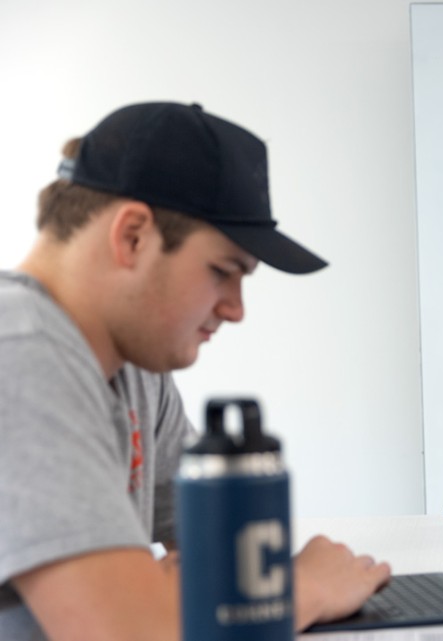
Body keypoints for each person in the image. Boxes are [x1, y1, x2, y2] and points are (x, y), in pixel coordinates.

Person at [0, 102, 391, 640]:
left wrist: (165, 598)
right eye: (222, 272)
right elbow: (133, 631)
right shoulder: (19, 351)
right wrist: (304, 589)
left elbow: (218, 557)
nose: (235, 309)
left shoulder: (134, 363)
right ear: (132, 236)